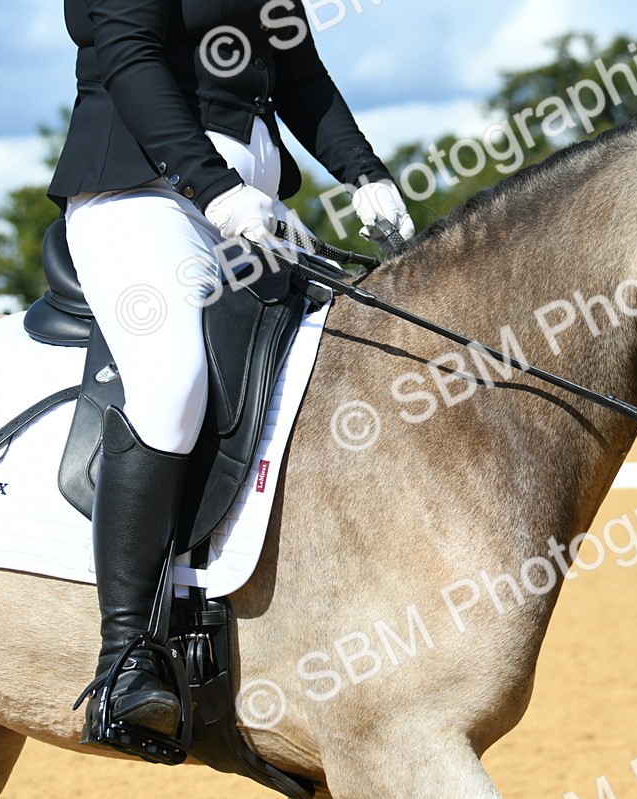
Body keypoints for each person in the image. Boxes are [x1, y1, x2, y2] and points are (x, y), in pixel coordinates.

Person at [47, 0, 413, 752]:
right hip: (143, 192)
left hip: (252, 207)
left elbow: (299, 70)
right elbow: (128, 59)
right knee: (174, 381)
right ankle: (125, 655)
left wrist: (364, 171)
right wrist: (214, 186)